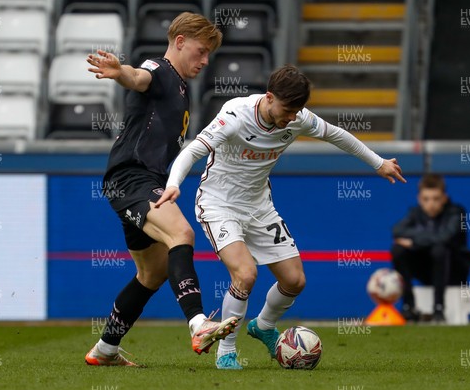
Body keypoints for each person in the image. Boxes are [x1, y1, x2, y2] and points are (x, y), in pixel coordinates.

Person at [155, 65, 406, 369]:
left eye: (297, 110)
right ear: (269, 97)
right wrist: (173, 185)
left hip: (259, 207)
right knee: (246, 274)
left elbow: (338, 136)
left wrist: (378, 163)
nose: (292, 117)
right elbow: (193, 150)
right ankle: (227, 352)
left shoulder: (298, 118)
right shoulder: (235, 115)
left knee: (295, 280)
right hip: (218, 204)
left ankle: (262, 326)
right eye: (288, 109)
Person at [84, 12, 238, 367]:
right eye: (200, 52)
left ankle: (105, 349)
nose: (204, 61)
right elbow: (139, 77)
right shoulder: (161, 69)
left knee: (151, 274)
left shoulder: (181, 86)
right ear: (180, 41)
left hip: (142, 181)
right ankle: (199, 324)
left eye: (209, 55)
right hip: (131, 178)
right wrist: (120, 71)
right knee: (182, 232)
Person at [391, 174, 470, 322]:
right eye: (426, 199)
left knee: (439, 249)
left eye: (436, 199)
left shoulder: (456, 213)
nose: (431, 204)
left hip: (455, 271)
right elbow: (397, 231)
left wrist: (415, 242)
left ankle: (439, 309)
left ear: (444, 198)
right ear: (419, 199)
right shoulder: (415, 213)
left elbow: (445, 237)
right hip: (427, 270)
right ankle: (409, 308)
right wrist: (425, 239)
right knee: (398, 249)